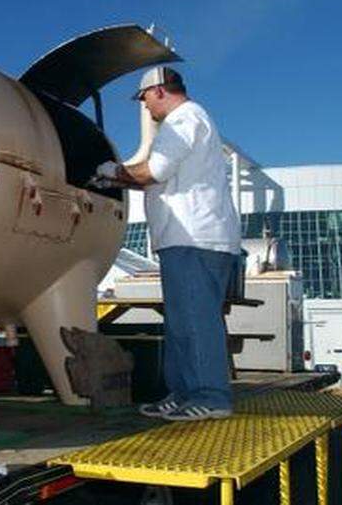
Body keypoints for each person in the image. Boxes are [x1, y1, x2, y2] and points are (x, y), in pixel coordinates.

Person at [94, 66, 242, 421]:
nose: (145, 108)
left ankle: (212, 397)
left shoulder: (181, 120)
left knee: (196, 320)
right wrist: (113, 181)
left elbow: (153, 172)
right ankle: (184, 393)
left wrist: (110, 171)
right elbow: (154, 180)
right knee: (181, 322)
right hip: (186, 239)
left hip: (195, 238)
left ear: (159, 91)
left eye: (145, 99)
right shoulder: (187, 122)